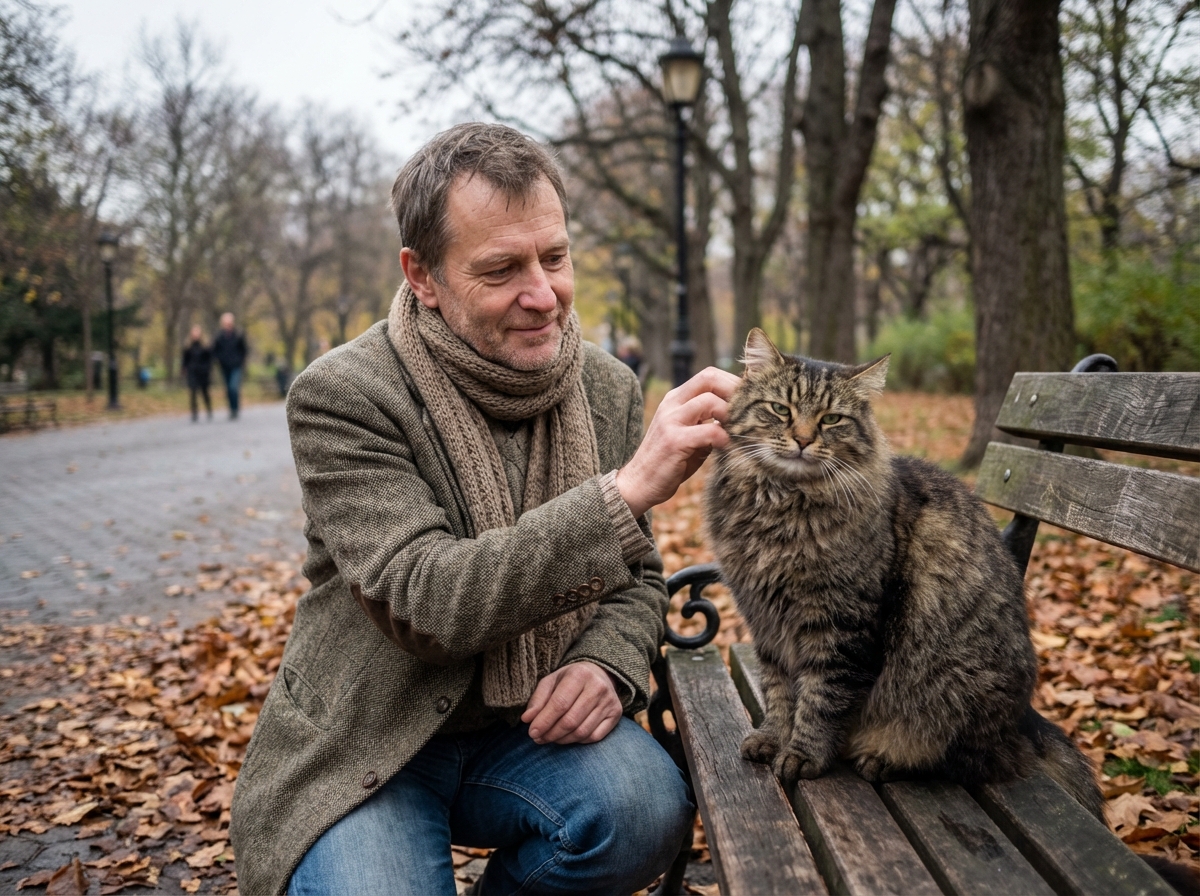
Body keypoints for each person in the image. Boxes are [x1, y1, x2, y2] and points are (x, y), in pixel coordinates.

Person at [229, 123, 739, 896]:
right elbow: (426, 601)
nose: (543, 295)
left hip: (522, 734)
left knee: (642, 810)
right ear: (423, 276)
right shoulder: (343, 396)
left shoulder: (606, 387)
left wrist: (605, 662)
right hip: (371, 741)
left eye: (555, 258)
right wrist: (626, 490)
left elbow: (636, 577)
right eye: (501, 269)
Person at [212, 312, 248, 419]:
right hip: (224, 366)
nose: (227, 324)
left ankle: (235, 408)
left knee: (233, 387)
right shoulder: (219, 336)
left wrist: (240, 361)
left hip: (236, 366)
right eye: (225, 322)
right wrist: (219, 360)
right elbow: (215, 350)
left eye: (229, 322)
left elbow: (243, 350)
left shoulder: (238, 335)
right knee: (228, 388)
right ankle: (231, 409)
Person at [181, 325, 212, 422]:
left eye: (197, 332)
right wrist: (184, 369)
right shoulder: (188, 346)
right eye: (194, 333)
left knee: (204, 392)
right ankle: (194, 412)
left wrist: (207, 369)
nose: (195, 335)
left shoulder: (205, 346)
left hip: (203, 372)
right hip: (192, 372)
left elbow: (209, 359)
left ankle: (208, 409)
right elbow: (185, 359)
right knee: (193, 392)